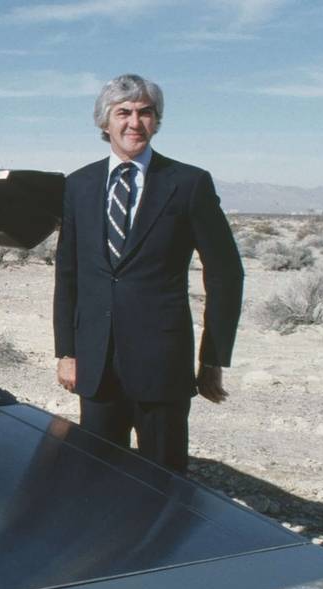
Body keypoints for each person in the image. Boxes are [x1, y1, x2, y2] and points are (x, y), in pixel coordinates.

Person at [53, 73, 243, 473]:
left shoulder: (189, 184)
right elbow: (68, 274)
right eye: (123, 112)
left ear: (157, 121)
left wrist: (213, 358)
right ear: (105, 122)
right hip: (97, 363)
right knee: (98, 476)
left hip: (162, 364)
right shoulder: (78, 185)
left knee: (165, 480)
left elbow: (226, 273)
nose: (134, 123)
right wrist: (66, 352)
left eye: (145, 112)